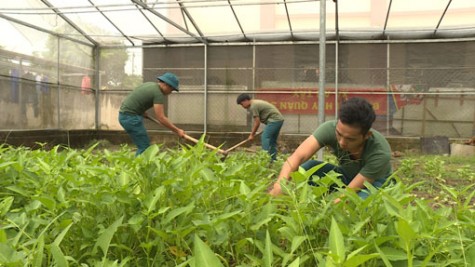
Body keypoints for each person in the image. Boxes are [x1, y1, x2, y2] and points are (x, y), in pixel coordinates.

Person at [269, 97, 392, 202]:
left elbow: (349, 194)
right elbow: (297, 157)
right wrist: (280, 185)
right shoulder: (329, 128)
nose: (342, 142)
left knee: (361, 203)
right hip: (346, 176)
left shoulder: (380, 151)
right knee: (308, 168)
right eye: (339, 134)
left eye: (350, 139)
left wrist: (330, 210)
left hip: (373, 183)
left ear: (366, 136)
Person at [119, 72, 185, 156]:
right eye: (171, 90)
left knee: (143, 145)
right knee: (144, 147)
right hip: (131, 118)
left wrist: (140, 110)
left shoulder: (149, 85)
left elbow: (136, 98)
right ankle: (139, 168)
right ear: (166, 85)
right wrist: (177, 130)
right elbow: (161, 117)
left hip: (126, 115)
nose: (170, 92)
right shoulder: (158, 94)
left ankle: (139, 166)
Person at [236, 93, 284, 161]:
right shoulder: (255, 103)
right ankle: (273, 160)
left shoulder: (254, 106)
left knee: (265, 136)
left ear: (246, 100)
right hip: (278, 120)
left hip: (274, 120)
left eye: (242, 104)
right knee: (272, 141)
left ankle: (265, 158)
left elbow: (257, 122)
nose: (242, 106)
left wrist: (252, 135)